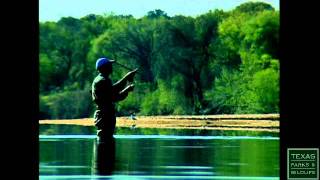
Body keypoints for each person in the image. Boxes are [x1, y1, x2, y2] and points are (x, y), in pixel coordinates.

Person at [92, 57, 137, 142]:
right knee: (105, 139)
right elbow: (114, 92)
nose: (111, 67)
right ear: (104, 67)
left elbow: (113, 96)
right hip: (104, 116)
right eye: (109, 65)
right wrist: (127, 78)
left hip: (104, 115)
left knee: (105, 139)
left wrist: (126, 90)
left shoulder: (102, 79)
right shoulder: (102, 80)